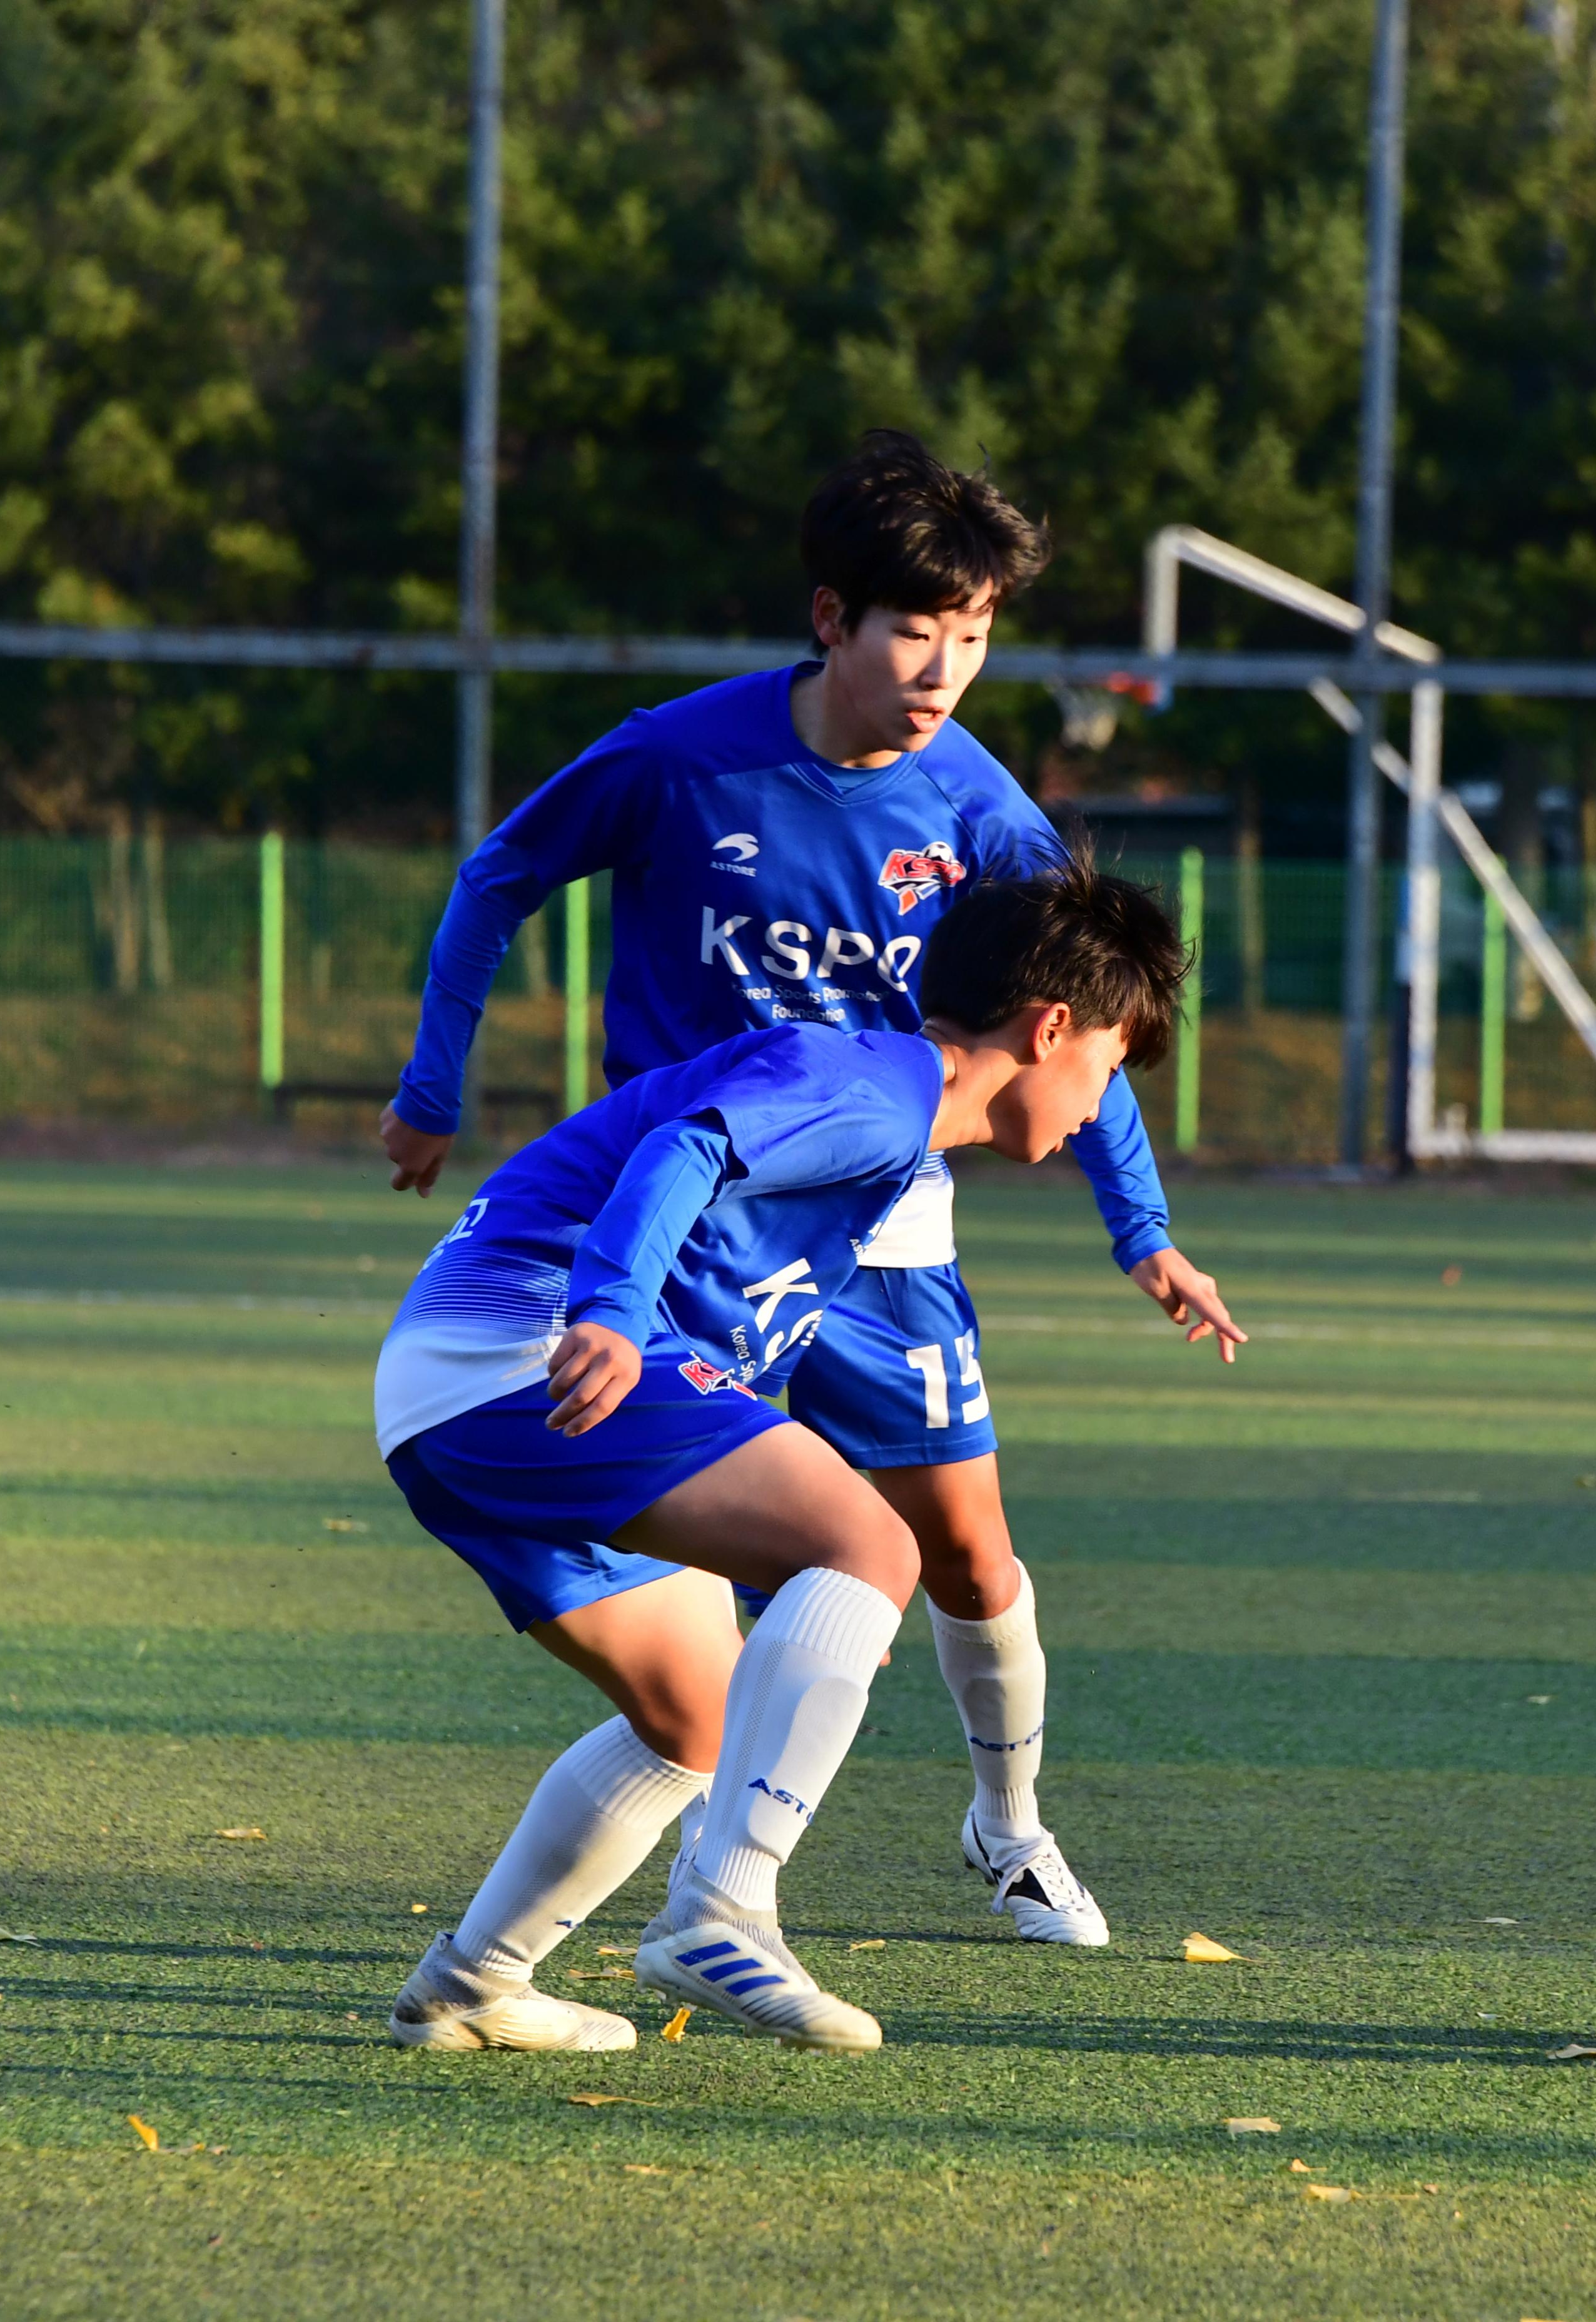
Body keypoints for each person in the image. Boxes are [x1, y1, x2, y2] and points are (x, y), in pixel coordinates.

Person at [378, 433, 1244, 1994]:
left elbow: (1081, 1020)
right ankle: (728, 1904)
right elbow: (503, 875)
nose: (945, 668)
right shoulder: (680, 760)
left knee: (908, 1573)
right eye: (919, 627)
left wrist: (1141, 1224)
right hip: (671, 1231)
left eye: (977, 635)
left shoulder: (983, 815)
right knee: (847, 1552)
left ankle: (500, 1972)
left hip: (849, 1225)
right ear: (832, 617)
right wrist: (439, 1083)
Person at [376, 859, 1187, 2054]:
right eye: (1110, 1069)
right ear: (1050, 1027)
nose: (1099, 1106)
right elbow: (684, 1150)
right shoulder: (871, 1084)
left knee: (692, 1718)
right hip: (533, 1344)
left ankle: (473, 1983)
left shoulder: (889, 1127)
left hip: (448, 1391)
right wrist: (606, 1308)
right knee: (868, 1540)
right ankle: (725, 1906)